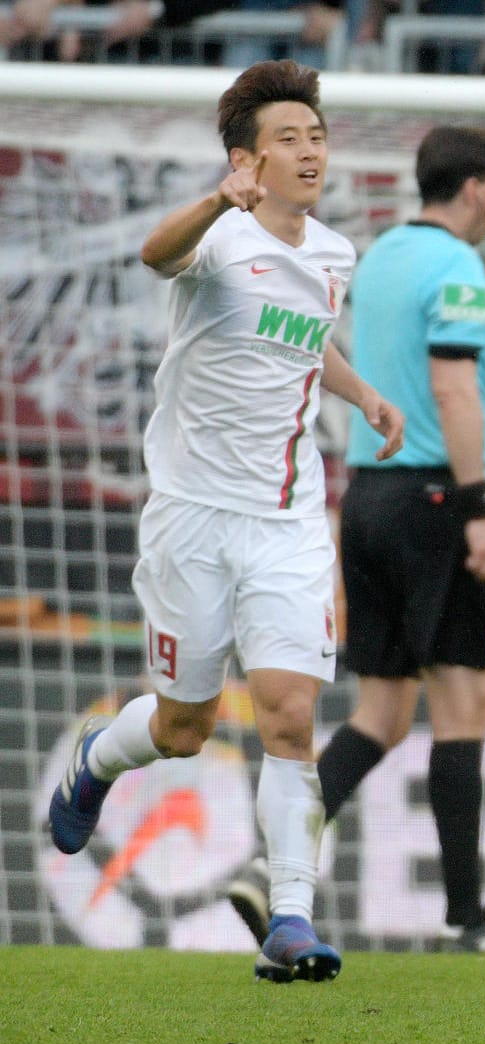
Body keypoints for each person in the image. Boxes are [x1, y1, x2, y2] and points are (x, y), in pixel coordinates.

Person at [47, 60, 404, 983]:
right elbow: (154, 255)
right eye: (288, 139)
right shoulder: (216, 239)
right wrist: (217, 203)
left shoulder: (333, 254)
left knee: (290, 716)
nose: (309, 151)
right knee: (184, 728)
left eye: (316, 136)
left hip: (286, 522)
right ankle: (97, 759)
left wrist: (360, 390)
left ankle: (290, 918)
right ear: (247, 159)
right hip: (193, 519)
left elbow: (303, 335)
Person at [226, 125, 485, 957]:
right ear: (474, 187)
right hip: (437, 501)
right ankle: (471, 918)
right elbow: (450, 388)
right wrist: (478, 505)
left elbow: (413, 384)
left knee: (382, 712)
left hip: (370, 497)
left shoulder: (388, 252)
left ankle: (270, 871)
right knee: (463, 705)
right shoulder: (458, 267)